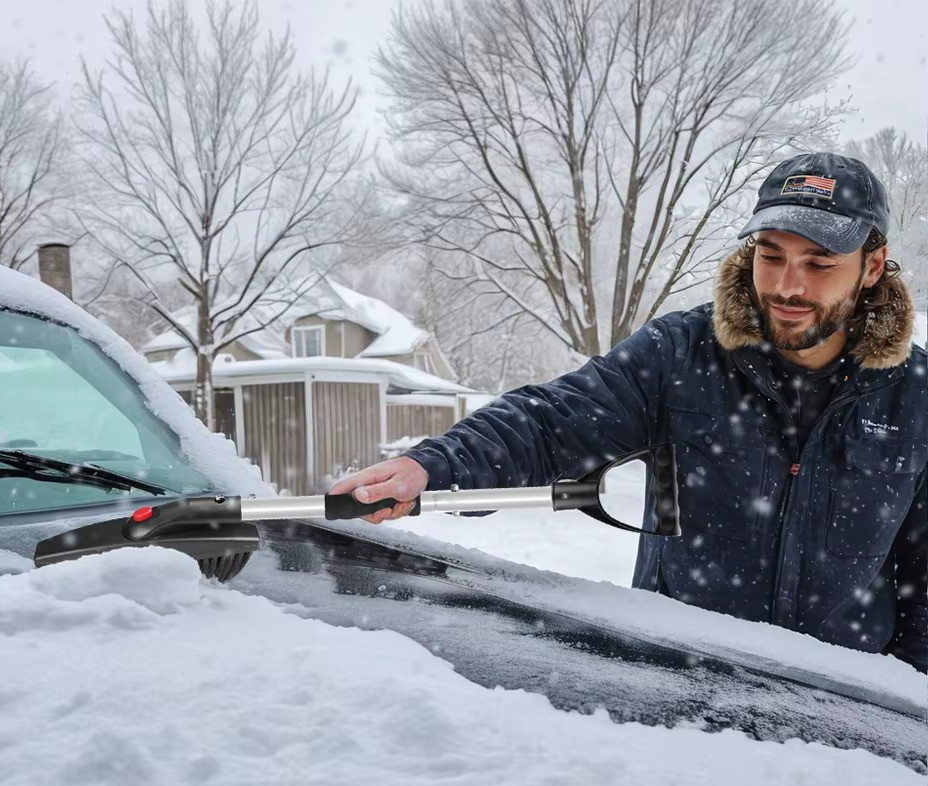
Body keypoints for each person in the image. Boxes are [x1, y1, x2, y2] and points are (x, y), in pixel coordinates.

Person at [330, 153, 927, 671]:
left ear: (871, 266)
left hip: (844, 709)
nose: (788, 287)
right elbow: (552, 420)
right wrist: (435, 467)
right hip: (680, 683)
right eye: (771, 256)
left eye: (819, 264)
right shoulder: (683, 355)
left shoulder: (917, 398)